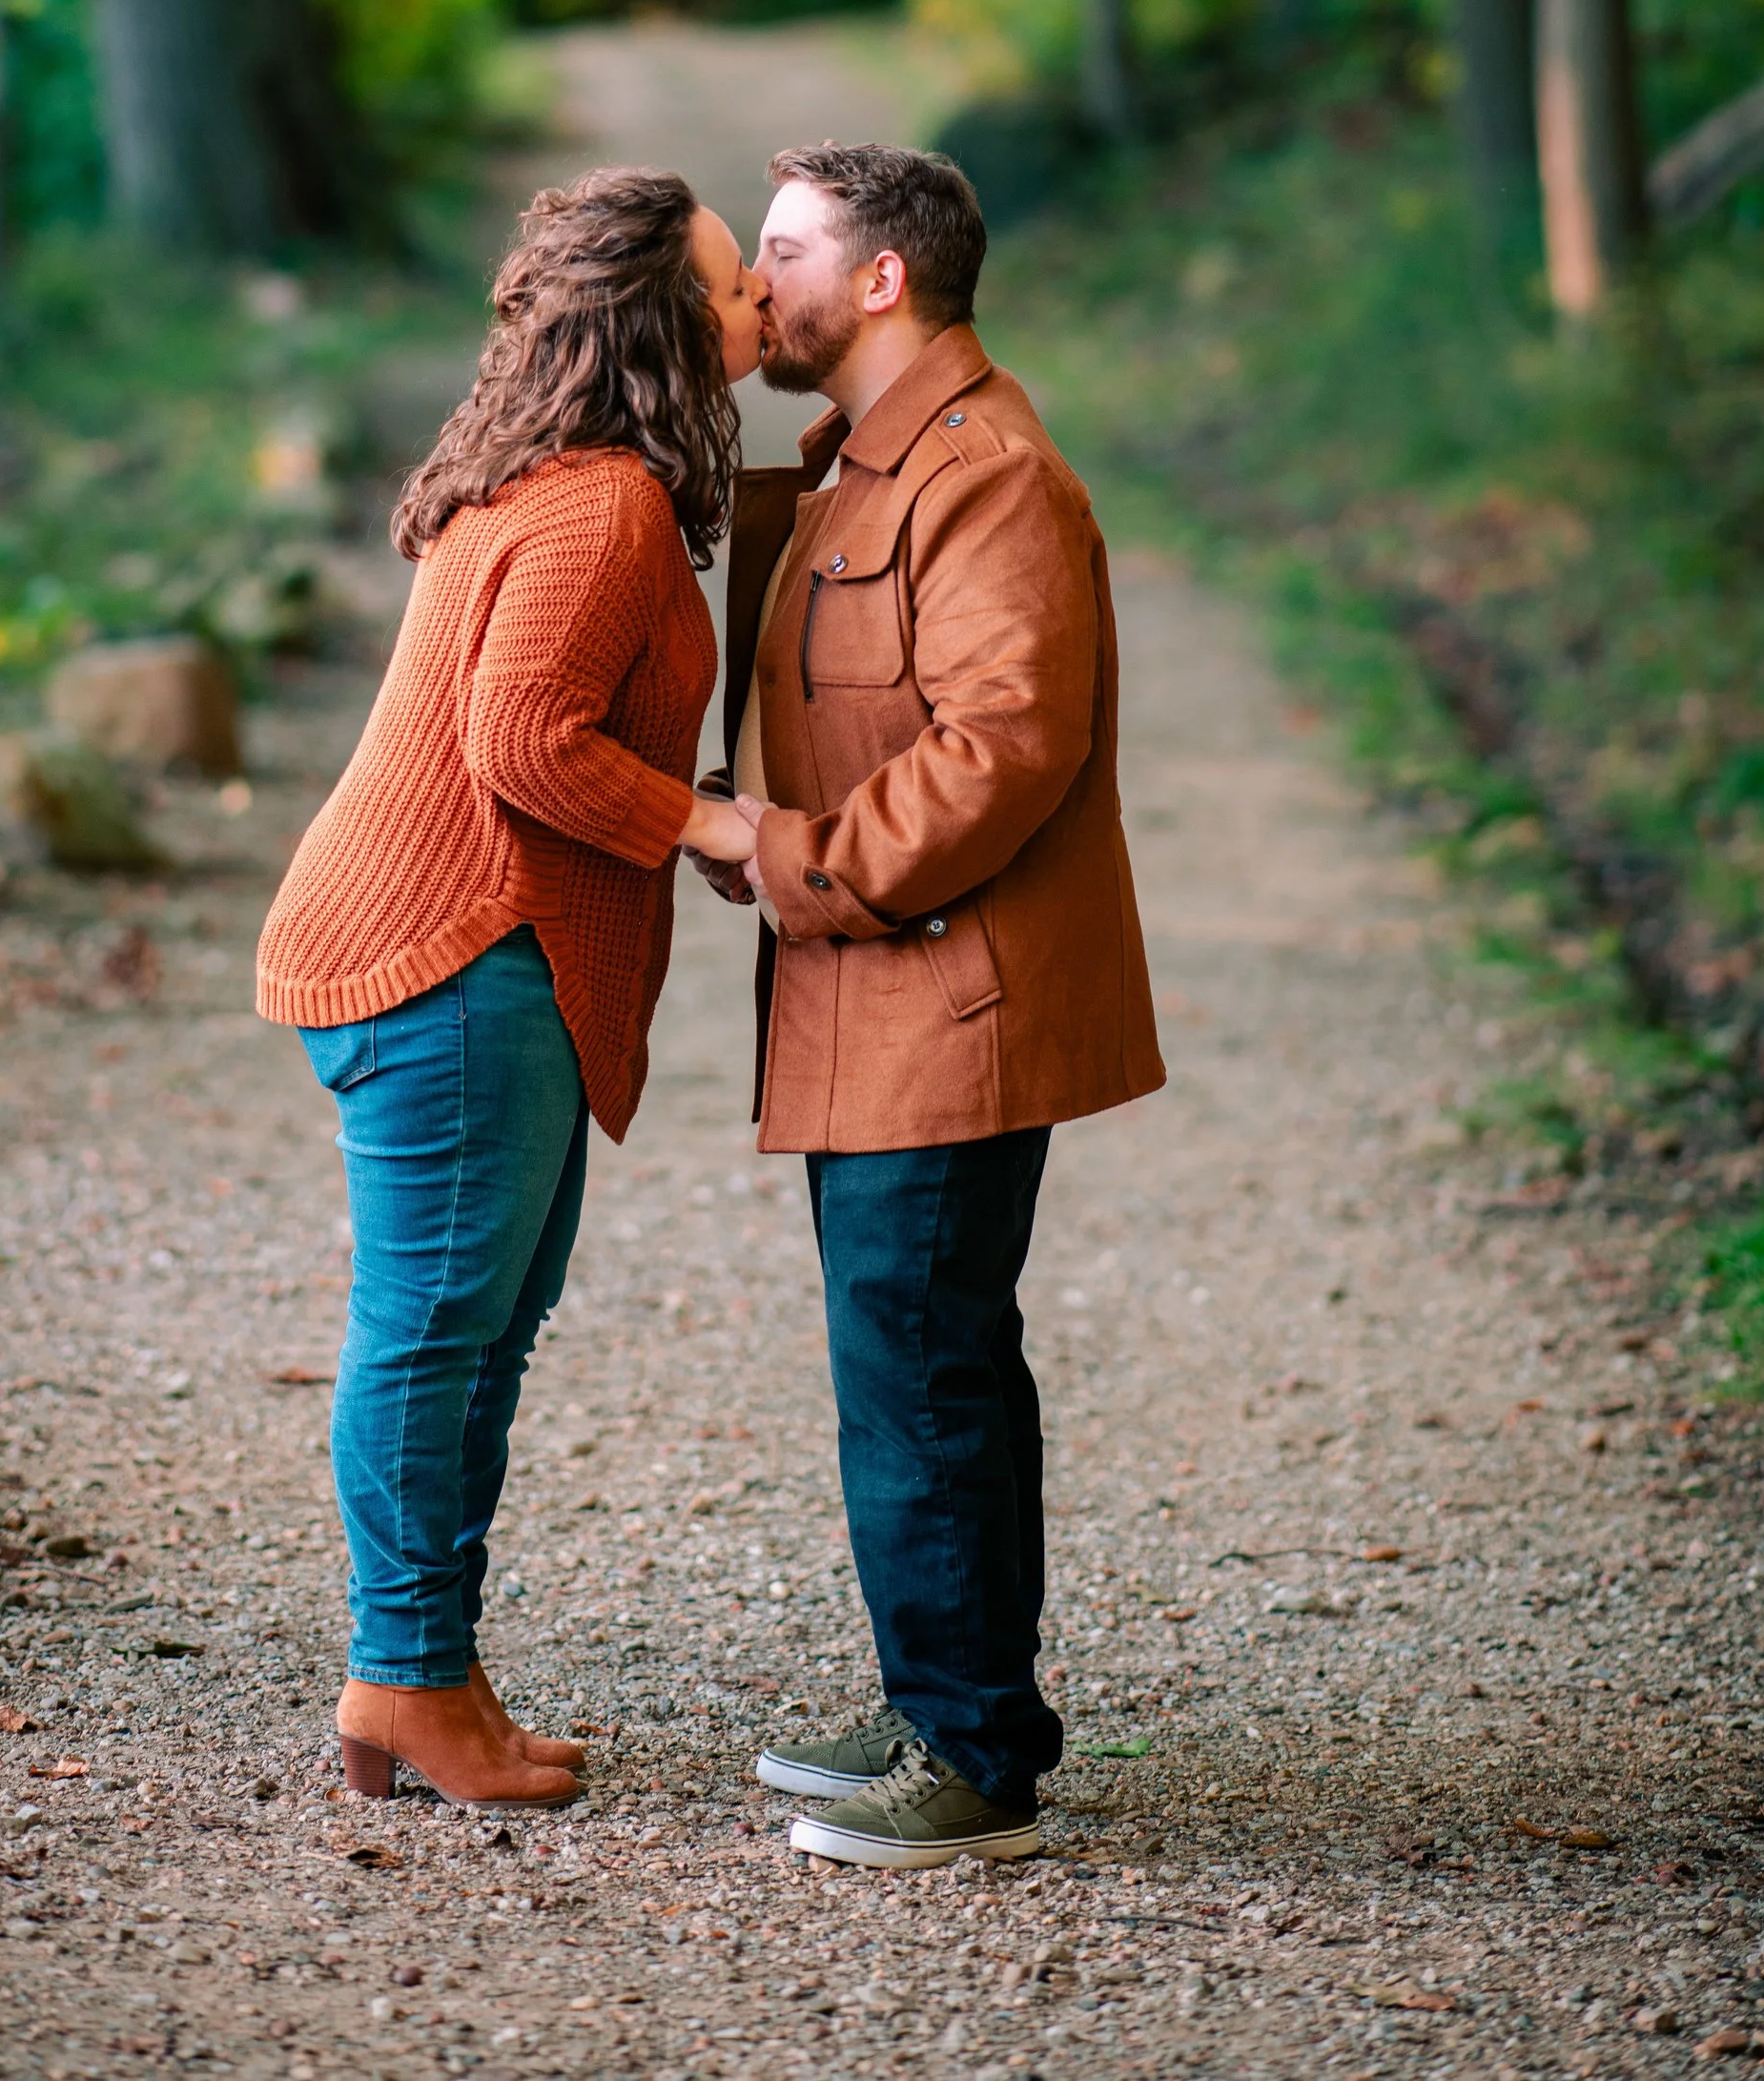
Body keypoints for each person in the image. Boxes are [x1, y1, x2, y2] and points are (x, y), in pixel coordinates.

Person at [256, 168, 764, 1807]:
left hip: (458, 953)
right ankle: (402, 1676)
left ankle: (429, 1672)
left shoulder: (545, 477)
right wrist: (706, 816)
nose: (760, 304)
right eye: (734, 285)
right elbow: (523, 739)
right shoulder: (603, 499)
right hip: (460, 956)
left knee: (480, 1328)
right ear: (661, 325)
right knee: (432, 1334)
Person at [700, 140, 1163, 1868]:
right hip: (870, 989)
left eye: (786, 249)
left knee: (922, 1365)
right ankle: (948, 1702)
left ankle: (970, 1762)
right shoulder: (850, 467)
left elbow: (1003, 749)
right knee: (913, 1359)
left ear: (883, 276)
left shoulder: (989, 478)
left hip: (944, 998)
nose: (760, 281)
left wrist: (784, 847)